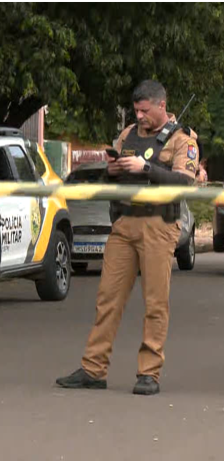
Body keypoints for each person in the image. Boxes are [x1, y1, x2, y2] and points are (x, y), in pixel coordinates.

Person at [56, 80, 197, 395]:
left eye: (145, 110)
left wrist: (146, 167)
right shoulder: (127, 135)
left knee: (155, 302)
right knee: (107, 298)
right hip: (124, 224)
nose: (139, 116)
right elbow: (114, 175)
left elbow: (185, 183)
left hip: (159, 224)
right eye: (136, 110)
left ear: (162, 105)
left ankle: (149, 373)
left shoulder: (182, 139)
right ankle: (93, 368)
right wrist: (113, 169)